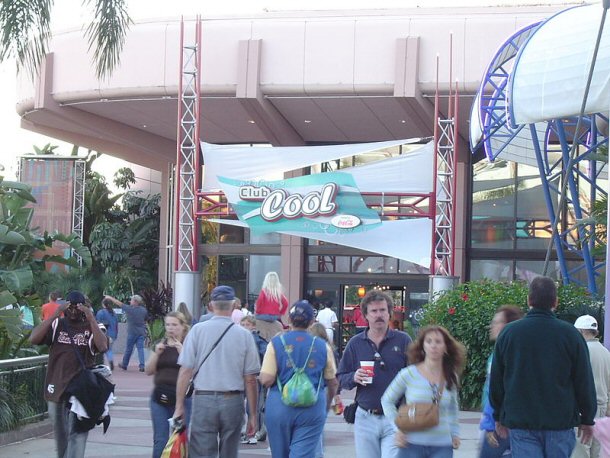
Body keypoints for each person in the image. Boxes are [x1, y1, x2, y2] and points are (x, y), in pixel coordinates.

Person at [490, 276, 597, 458]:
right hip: (560, 423)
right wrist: (587, 418)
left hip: (521, 421)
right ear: (555, 301)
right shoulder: (570, 334)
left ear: (528, 300)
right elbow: (583, 380)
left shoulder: (509, 333)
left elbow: (497, 380)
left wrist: (498, 415)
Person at [174, 285, 260, 458]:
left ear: (211, 305)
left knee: (202, 452)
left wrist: (179, 405)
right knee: (230, 451)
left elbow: (185, 371)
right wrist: (253, 414)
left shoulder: (197, 331)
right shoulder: (244, 335)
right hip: (233, 400)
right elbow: (250, 379)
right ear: (234, 305)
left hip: (204, 399)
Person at [29, 290, 108, 458]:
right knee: (61, 436)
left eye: (77, 307)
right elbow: (34, 339)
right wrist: (55, 315)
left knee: (77, 434)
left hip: (81, 389)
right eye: (70, 306)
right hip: (56, 386)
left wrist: (90, 317)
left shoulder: (92, 326)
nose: (73, 310)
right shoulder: (58, 324)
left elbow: (102, 347)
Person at [337, 290, 412, 458]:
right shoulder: (355, 344)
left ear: (389, 313)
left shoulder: (403, 340)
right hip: (365, 416)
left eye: (383, 310)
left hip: (395, 416)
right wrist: (353, 377)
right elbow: (341, 377)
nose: (379, 315)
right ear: (365, 315)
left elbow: (415, 377)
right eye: (374, 311)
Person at [259, 300, 339, 458]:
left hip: (279, 406)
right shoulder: (323, 346)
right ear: (311, 322)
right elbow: (332, 381)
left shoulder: (276, 343)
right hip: (312, 407)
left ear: (289, 319)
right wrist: (328, 404)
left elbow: (267, 379)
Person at [382, 325, 466, 457]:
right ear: (423, 346)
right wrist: (397, 429)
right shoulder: (408, 374)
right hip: (411, 444)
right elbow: (387, 400)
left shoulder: (451, 376)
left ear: (445, 347)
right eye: (429, 341)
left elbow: (452, 408)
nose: (433, 346)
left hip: (442, 446)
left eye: (438, 342)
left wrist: (455, 433)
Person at [145, 311, 192, 458]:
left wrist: (182, 352)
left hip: (182, 398)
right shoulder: (160, 345)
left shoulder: (188, 345)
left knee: (180, 438)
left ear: (183, 327)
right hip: (159, 397)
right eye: (168, 325)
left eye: (174, 325)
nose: (171, 328)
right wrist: (157, 353)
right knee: (161, 439)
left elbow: (193, 371)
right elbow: (149, 371)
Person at [479, 305, 523, 458]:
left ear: (507, 325)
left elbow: (496, 391)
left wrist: (490, 424)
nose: (492, 326)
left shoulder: (502, 355)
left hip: (500, 425)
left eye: (496, 322)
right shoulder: (513, 352)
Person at [572, 314, 610, 458]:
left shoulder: (582, 351)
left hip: (584, 409)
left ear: (581, 331)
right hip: (602, 408)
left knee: (580, 450)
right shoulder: (606, 352)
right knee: (598, 452)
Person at [310, 322, 343, 458]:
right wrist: (336, 395)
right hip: (325, 389)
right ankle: (319, 452)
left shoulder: (314, 349)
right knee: (320, 424)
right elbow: (335, 374)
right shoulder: (330, 349)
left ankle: (317, 452)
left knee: (315, 425)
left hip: (317, 388)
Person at [240, 315, 269, 444]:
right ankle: (251, 432)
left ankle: (252, 432)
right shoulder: (253, 339)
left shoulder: (256, 339)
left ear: (253, 326)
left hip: (253, 375)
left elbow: (264, 353)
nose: (245, 327)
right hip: (249, 375)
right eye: (243, 325)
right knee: (251, 405)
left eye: (247, 325)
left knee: (253, 405)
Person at [105, 294, 149, 372]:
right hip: (141, 332)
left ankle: (124, 364)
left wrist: (110, 298)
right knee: (140, 349)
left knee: (129, 349)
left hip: (132, 332)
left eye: (131, 300)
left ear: (135, 302)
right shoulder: (143, 310)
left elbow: (118, 303)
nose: (130, 301)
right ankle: (142, 365)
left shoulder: (129, 309)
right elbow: (145, 319)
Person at [255, 271, 289, 341]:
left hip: (263, 316)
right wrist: (280, 313)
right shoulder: (278, 292)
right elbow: (286, 303)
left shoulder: (264, 291)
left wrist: (257, 311)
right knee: (277, 319)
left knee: (254, 317)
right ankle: (282, 324)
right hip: (274, 317)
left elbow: (260, 301)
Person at [96, 298, 119, 370]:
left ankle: (101, 363)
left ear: (103, 304)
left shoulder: (101, 312)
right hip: (113, 334)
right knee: (109, 349)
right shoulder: (113, 313)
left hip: (105, 334)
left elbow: (97, 323)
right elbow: (116, 325)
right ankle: (110, 360)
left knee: (101, 349)